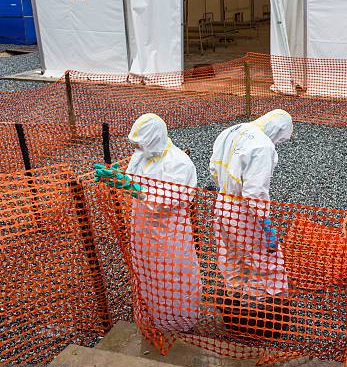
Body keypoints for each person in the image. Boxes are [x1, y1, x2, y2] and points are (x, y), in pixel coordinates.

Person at [95, 113, 201, 332]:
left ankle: (179, 322)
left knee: (172, 275)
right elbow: (130, 178)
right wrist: (115, 178)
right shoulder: (141, 156)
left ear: (155, 139)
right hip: (142, 228)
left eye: (141, 144)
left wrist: (137, 190)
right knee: (147, 273)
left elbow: (174, 198)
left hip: (169, 232)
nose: (138, 148)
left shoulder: (178, 162)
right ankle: (152, 316)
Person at [209, 109, 293, 337]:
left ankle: (235, 309)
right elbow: (255, 190)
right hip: (244, 212)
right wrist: (265, 223)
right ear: (277, 131)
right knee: (266, 262)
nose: (278, 143)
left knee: (231, 258)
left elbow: (213, 169)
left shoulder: (232, 130)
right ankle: (265, 319)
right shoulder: (263, 145)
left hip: (222, 202)